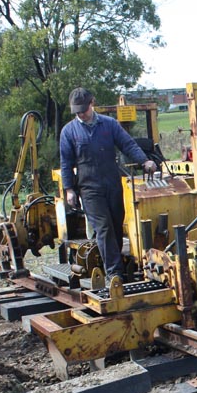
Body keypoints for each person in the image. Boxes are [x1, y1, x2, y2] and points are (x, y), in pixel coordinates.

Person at [59, 87, 158, 282]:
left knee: (115, 224)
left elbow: (127, 144)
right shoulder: (69, 132)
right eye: (77, 111)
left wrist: (144, 161)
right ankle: (114, 273)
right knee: (104, 227)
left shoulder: (109, 125)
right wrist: (69, 189)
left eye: (83, 110)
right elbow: (66, 163)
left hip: (112, 184)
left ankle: (110, 262)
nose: (80, 114)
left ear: (92, 103)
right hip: (89, 188)